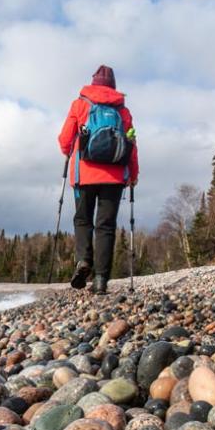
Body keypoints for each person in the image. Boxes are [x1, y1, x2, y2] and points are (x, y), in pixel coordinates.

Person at [58, 65, 139, 294]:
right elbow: (131, 145)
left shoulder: (80, 104)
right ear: (113, 86)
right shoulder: (123, 111)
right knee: (106, 227)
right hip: (114, 176)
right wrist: (133, 174)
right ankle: (102, 280)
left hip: (84, 173)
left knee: (83, 220)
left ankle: (84, 260)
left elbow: (65, 139)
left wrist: (68, 150)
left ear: (93, 83)